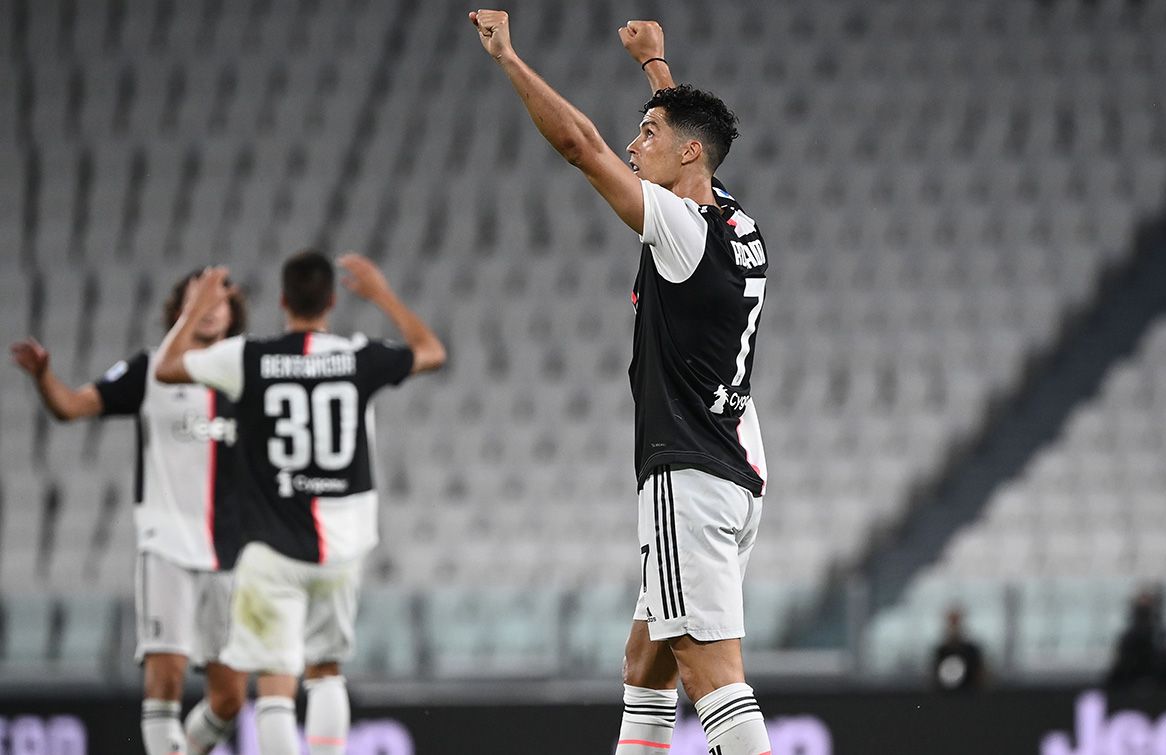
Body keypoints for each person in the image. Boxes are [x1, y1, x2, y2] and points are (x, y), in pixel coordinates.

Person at [471, 12, 772, 754]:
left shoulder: (677, 228)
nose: (636, 145)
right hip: (735, 467)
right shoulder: (736, 223)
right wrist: (656, 66)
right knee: (646, 661)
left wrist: (508, 56)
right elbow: (692, 141)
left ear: (687, 152)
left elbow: (580, 147)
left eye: (648, 134)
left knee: (710, 672)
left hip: (688, 475)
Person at [153, 251, 445, 755]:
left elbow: (167, 369)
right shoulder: (357, 355)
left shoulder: (250, 357)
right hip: (341, 546)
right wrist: (382, 295)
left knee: (276, 682)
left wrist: (194, 306)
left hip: (271, 549)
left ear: (282, 300)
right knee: (327, 670)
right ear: (332, 300)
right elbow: (432, 351)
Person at [9, 271, 249, 755]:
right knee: (167, 678)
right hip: (166, 543)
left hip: (230, 552)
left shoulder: (248, 373)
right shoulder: (149, 370)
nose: (208, 308)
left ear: (233, 313)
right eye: (196, 299)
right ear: (178, 310)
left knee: (229, 698)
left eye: (218, 301)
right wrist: (43, 378)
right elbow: (71, 407)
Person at [1105, 586, 1166, 694]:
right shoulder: (1128, 636)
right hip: (1129, 687)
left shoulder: (1162, 635)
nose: (1145, 610)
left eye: (1148, 605)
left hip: (1159, 688)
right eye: (1141, 606)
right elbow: (1120, 667)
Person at [931, 605, 987, 693]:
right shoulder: (941, 652)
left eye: (956, 622)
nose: (954, 626)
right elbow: (933, 679)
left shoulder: (971, 651)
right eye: (952, 622)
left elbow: (980, 677)